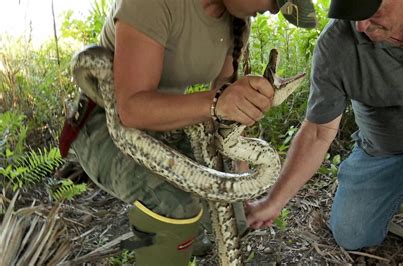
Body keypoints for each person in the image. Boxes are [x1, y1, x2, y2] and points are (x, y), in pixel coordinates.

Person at [59, 0, 316, 265]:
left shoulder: (238, 20)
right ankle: (166, 243)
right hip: (106, 122)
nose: (274, 10)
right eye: (275, 0)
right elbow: (132, 109)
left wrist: (238, 151)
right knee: (176, 205)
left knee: (234, 218)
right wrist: (217, 102)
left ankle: (179, 242)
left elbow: (223, 93)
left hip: (168, 123)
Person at [246, 0, 403, 264]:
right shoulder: (335, 45)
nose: (361, 26)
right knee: (352, 233)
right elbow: (319, 132)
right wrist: (273, 201)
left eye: (373, 12)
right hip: (387, 151)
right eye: (353, 15)